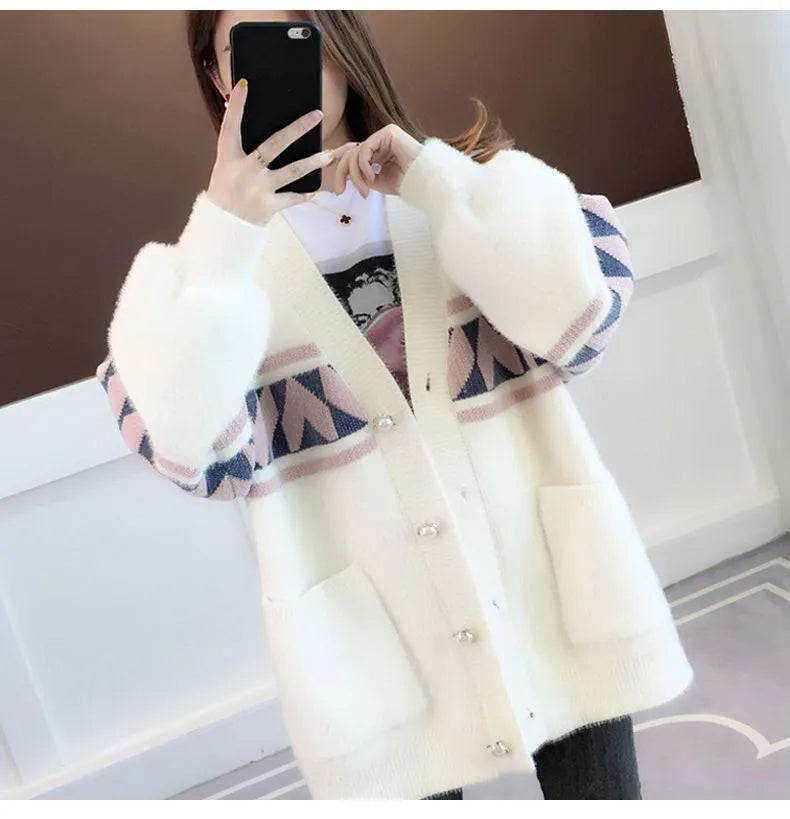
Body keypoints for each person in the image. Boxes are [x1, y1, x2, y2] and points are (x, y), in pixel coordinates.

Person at [96, 9, 693, 801]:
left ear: (343, 41)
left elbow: (580, 323)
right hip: (378, 654)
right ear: (216, 75)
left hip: (551, 587)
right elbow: (189, 450)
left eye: (302, 34)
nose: (292, 68)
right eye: (248, 46)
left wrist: (439, 183)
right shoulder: (211, 278)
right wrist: (225, 233)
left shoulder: (460, 198)